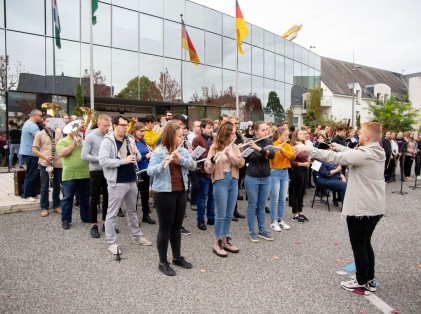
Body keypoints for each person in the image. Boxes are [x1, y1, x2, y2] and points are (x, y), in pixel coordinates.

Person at [293, 121, 385, 295]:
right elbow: (352, 153)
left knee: (359, 245)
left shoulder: (365, 154)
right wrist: (339, 146)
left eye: (360, 132)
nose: (358, 133)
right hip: (374, 207)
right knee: (366, 244)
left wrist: (310, 150)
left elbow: (336, 159)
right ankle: (369, 279)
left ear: (366, 137)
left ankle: (361, 281)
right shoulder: (377, 151)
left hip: (362, 209)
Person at [147, 123, 196, 276]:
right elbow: (149, 171)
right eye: (180, 135)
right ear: (171, 136)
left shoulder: (181, 150)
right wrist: (162, 164)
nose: (183, 138)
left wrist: (181, 159)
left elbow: (193, 166)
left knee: (177, 226)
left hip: (181, 191)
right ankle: (163, 262)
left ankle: (176, 257)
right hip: (163, 193)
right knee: (165, 228)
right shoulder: (158, 152)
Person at [99, 115, 152, 255]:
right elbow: (103, 161)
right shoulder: (108, 141)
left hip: (131, 179)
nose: (125, 127)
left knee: (132, 211)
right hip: (116, 181)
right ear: (115, 125)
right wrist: (123, 161)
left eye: (126, 125)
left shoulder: (129, 139)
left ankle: (137, 237)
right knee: (112, 213)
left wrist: (137, 154)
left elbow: (138, 158)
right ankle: (111, 243)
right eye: (122, 125)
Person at [205, 121, 245, 257]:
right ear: (225, 134)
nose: (234, 136)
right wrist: (213, 161)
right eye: (232, 133)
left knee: (229, 213)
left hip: (233, 180)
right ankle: (217, 242)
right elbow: (208, 168)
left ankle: (225, 238)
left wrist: (229, 155)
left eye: (235, 133)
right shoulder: (215, 147)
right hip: (220, 180)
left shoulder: (234, 147)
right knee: (221, 214)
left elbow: (241, 163)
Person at [81, 114, 116, 238]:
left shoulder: (110, 136)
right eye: (105, 126)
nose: (107, 128)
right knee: (94, 198)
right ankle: (93, 224)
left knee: (108, 197)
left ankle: (106, 223)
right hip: (96, 170)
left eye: (108, 125)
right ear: (98, 124)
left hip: (108, 170)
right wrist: (101, 159)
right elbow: (84, 155)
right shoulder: (91, 136)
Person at [244, 121, 275, 242]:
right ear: (256, 131)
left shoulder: (268, 141)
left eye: (267, 129)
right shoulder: (249, 142)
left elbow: (272, 156)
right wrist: (246, 147)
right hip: (252, 177)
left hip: (266, 177)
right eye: (263, 130)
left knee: (262, 205)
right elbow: (247, 157)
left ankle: (262, 230)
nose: (266, 132)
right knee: (252, 204)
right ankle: (252, 231)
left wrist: (258, 149)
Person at [57, 119, 90, 229]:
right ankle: (66, 220)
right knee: (67, 199)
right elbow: (62, 153)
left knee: (85, 197)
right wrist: (74, 144)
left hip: (85, 173)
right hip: (70, 175)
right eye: (75, 129)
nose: (77, 130)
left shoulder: (83, 140)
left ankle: (85, 217)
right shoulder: (62, 141)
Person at [32, 115, 63, 217]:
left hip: (57, 162)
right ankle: (44, 207)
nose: (50, 123)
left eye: (52, 121)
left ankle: (56, 205)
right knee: (44, 186)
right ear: (44, 122)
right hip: (45, 163)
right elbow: (34, 149)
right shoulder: (39, 134)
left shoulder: (59, 133)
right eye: (48, 121)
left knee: (57, 185)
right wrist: (44, 156)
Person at [269, 126, 294, 232]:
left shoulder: (287, 146)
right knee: (275, 198)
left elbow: (292, 156)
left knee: (283, 198)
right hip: (274, 171)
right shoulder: (272, 145)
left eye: (288, 135)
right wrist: (277, 150)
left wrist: (283, 151)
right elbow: (271, 159)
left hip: (285, 172)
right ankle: (273, 221)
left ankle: (280, 219)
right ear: (279, 135)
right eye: (285, 135)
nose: (287, 137)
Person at [192, 119, 215, 231]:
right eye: (208, 128)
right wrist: (211, 154)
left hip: (213, 171)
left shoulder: (214, 139)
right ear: (202, 128)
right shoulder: (197, 140)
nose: (211, 130)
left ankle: (211, 217)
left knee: (212, 196)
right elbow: (196, 155)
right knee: (202, 197)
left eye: (212, 128)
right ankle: (200, 220)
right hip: (202, 172)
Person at [132, 122, 155, 224]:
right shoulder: (132, 142)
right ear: (135, 131)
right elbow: (134, 158)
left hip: (145, 170)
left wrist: (151, 152)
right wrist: (147, 156)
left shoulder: (143, 142)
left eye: (143, 131)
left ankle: (145, 215)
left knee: (145, 195)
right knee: (134, 196)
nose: (142, 133)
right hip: (136, 171)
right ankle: (134, 218)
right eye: (141, 131)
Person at [19, 109, 43, 202]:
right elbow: (40, 138)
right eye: (40, 116)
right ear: (34, 115)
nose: (41, 118)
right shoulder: (32, 126)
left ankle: (33, 193)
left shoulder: (27, 123)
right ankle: (27, 195)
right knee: (31, 174)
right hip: (31, 153)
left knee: (33, 174)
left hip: (28, 152)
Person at [289, 130, 310, 223]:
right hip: (298, 171)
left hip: (306, 170)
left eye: (303, 133)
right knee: (296, 193)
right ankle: (295, 214)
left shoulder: (305, 146)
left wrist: (309, 161)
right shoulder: (293, 147)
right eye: (300, 134)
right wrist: (303, 164)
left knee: (302, 192)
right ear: (296, 136)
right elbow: (291, 162)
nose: (303, 135)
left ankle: (300, 212)